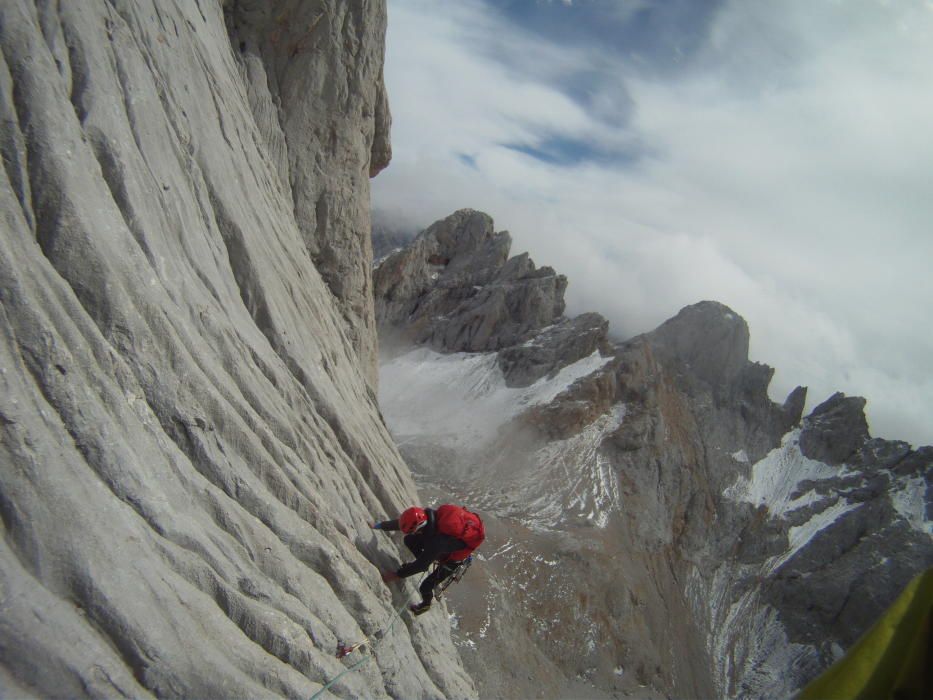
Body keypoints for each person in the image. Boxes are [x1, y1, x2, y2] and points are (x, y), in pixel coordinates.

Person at [372, 504, 484, 615]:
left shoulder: (437, 542)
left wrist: (397, 575)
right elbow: (404, 524)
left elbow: (421, 566)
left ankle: (425, 605)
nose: (415, 533)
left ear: (420, 527)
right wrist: (378, 525)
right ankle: (426, 559)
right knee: (410, 540)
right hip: (447, 544)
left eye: (415, 531)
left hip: (452, 561)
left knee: (426, 586)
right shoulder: (432, 516)